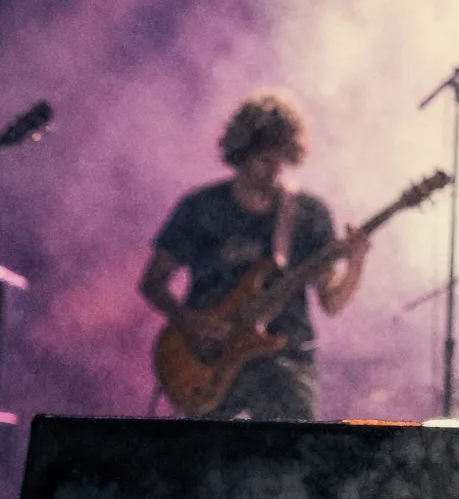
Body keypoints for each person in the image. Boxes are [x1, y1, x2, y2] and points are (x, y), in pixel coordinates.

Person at [138, 91, 369, 420]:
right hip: (208, 357)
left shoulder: (308, 214)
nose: (274, 171)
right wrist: (189, 321)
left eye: (280, 161)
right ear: (241, 154)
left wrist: (356, 262)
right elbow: (151, 282)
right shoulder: (201, 208)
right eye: (264, 161)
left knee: (293, 447)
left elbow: (331, 302)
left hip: (285, 358)